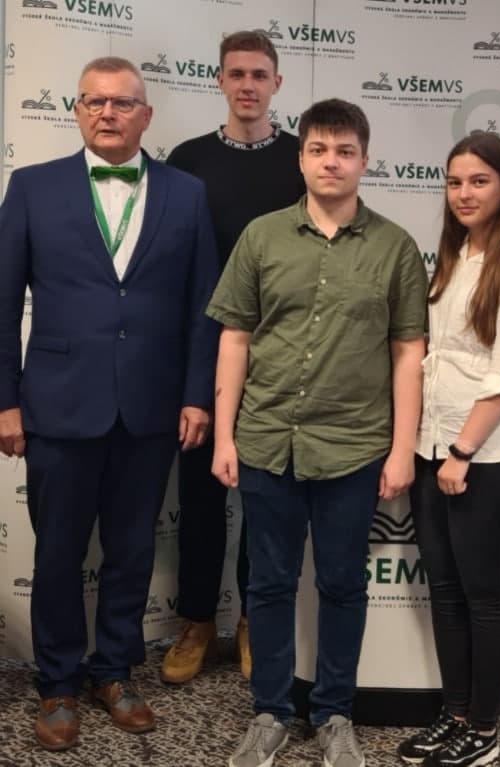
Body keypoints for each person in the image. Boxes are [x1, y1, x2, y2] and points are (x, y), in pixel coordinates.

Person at [0, 57, 219, 751]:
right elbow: (2, 303)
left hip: (151, 407)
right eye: (94, 101)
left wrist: (197, 394)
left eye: (123, 103)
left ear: (145, 116)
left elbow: (204, 308)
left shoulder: (187, 194)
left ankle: (116, 671)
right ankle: (58, 683)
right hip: (57, 404)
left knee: (130, 549)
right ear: (76, 110)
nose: (108, 113)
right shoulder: (31, 187)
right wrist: (5, 401)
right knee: (59, 552)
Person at [206, 98, 428, 767]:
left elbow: (407, 353)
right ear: (301, 157)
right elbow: (235, 338)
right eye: (318, 150)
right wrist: (225, 437)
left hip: (353, 449)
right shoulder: (261, 237)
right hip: (267, 441)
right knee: (269, 585)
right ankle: (270, 711)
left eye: (344, 151)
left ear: (364, 160)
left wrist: (401, 450)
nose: (331, 162)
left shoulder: (394, 247)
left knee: (342, 585)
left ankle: (334, 712)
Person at [397, 132, 500, 767]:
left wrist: (461, 451)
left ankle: (484, 729)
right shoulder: (455, 254)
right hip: (436, 446)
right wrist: (431, 448)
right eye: (455, 182)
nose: (464, 193)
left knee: (485, 597)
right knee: (447, 590)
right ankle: (455, 713)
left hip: (490, 454)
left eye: (479, 181)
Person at [160, 30, 305, 686]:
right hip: (201, 351)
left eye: (259, 74)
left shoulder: (302, 159)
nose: (247, 85)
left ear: (276, 83)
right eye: (236, 73)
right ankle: (196, 621)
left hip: (280, 355)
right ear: (219, 80)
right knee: (198, 493)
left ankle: (253, 619)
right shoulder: (187, 160)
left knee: (267, 498)